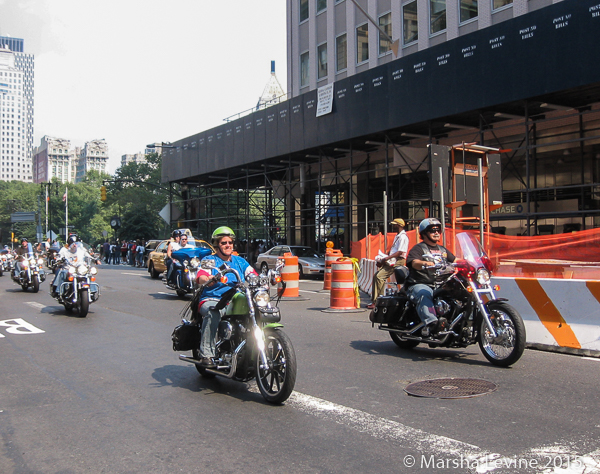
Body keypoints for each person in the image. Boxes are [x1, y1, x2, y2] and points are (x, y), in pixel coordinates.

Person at [195, 226, 257, 368]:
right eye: (224, 243)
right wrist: (209, 279)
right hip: (213, 298)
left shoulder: (239, 261)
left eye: (230, 242)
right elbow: (201, 277)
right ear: (217, 244)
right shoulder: (209, 260)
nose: (228, 245)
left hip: (235, 299)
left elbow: (252, 274)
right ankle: (207, 354)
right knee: (213, 311)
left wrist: (261, 280)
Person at [405, 218, 456, 337]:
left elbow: (455, 260)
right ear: (424, 233)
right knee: (424, 293)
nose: (437, 233)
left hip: (440, 283)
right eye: (433, 230)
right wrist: (425, 263)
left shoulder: (442, 250)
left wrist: (470, 263)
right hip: (420, 283)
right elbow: (414, 262)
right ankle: (433, 324)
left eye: (438, 230)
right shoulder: (419, 248)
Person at [367, 218, 410, 309]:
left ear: (399, 225)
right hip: (393, 259)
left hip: (397, 260)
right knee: (377, 276)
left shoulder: (403, 237)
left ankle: (378, 301)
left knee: (379, 277)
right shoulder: (397, 236)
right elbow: (394, 250)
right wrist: (384, 259)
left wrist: (386, 258)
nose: (393, 226)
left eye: (394, 224)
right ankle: (378, 299)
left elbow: (400, 252)